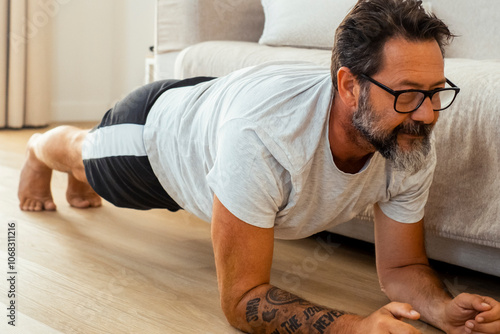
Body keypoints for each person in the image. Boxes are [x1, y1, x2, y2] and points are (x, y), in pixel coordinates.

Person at [18, 0, 500, 333]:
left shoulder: (406, 136)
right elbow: (241, 299)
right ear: (350, 86)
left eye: (437, 92)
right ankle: (40, 149)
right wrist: (354, 325)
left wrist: (441, 309)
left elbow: (401, 266)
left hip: (225, 109)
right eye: (409, 94)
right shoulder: (264, 137)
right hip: (155, 136)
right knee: (86, 159)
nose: (429, 113)